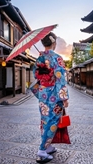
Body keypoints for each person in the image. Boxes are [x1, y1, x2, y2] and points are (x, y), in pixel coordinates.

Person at [30, 32, 69, 163]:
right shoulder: (57, 58)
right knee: (53, 121)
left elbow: (36, 76)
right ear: (54, 43)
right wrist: (64, 97)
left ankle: (48, 146)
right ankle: (42, 150)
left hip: (43, 93)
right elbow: (60, 77)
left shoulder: (39, 58)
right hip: (53, 94)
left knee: (44, 120)